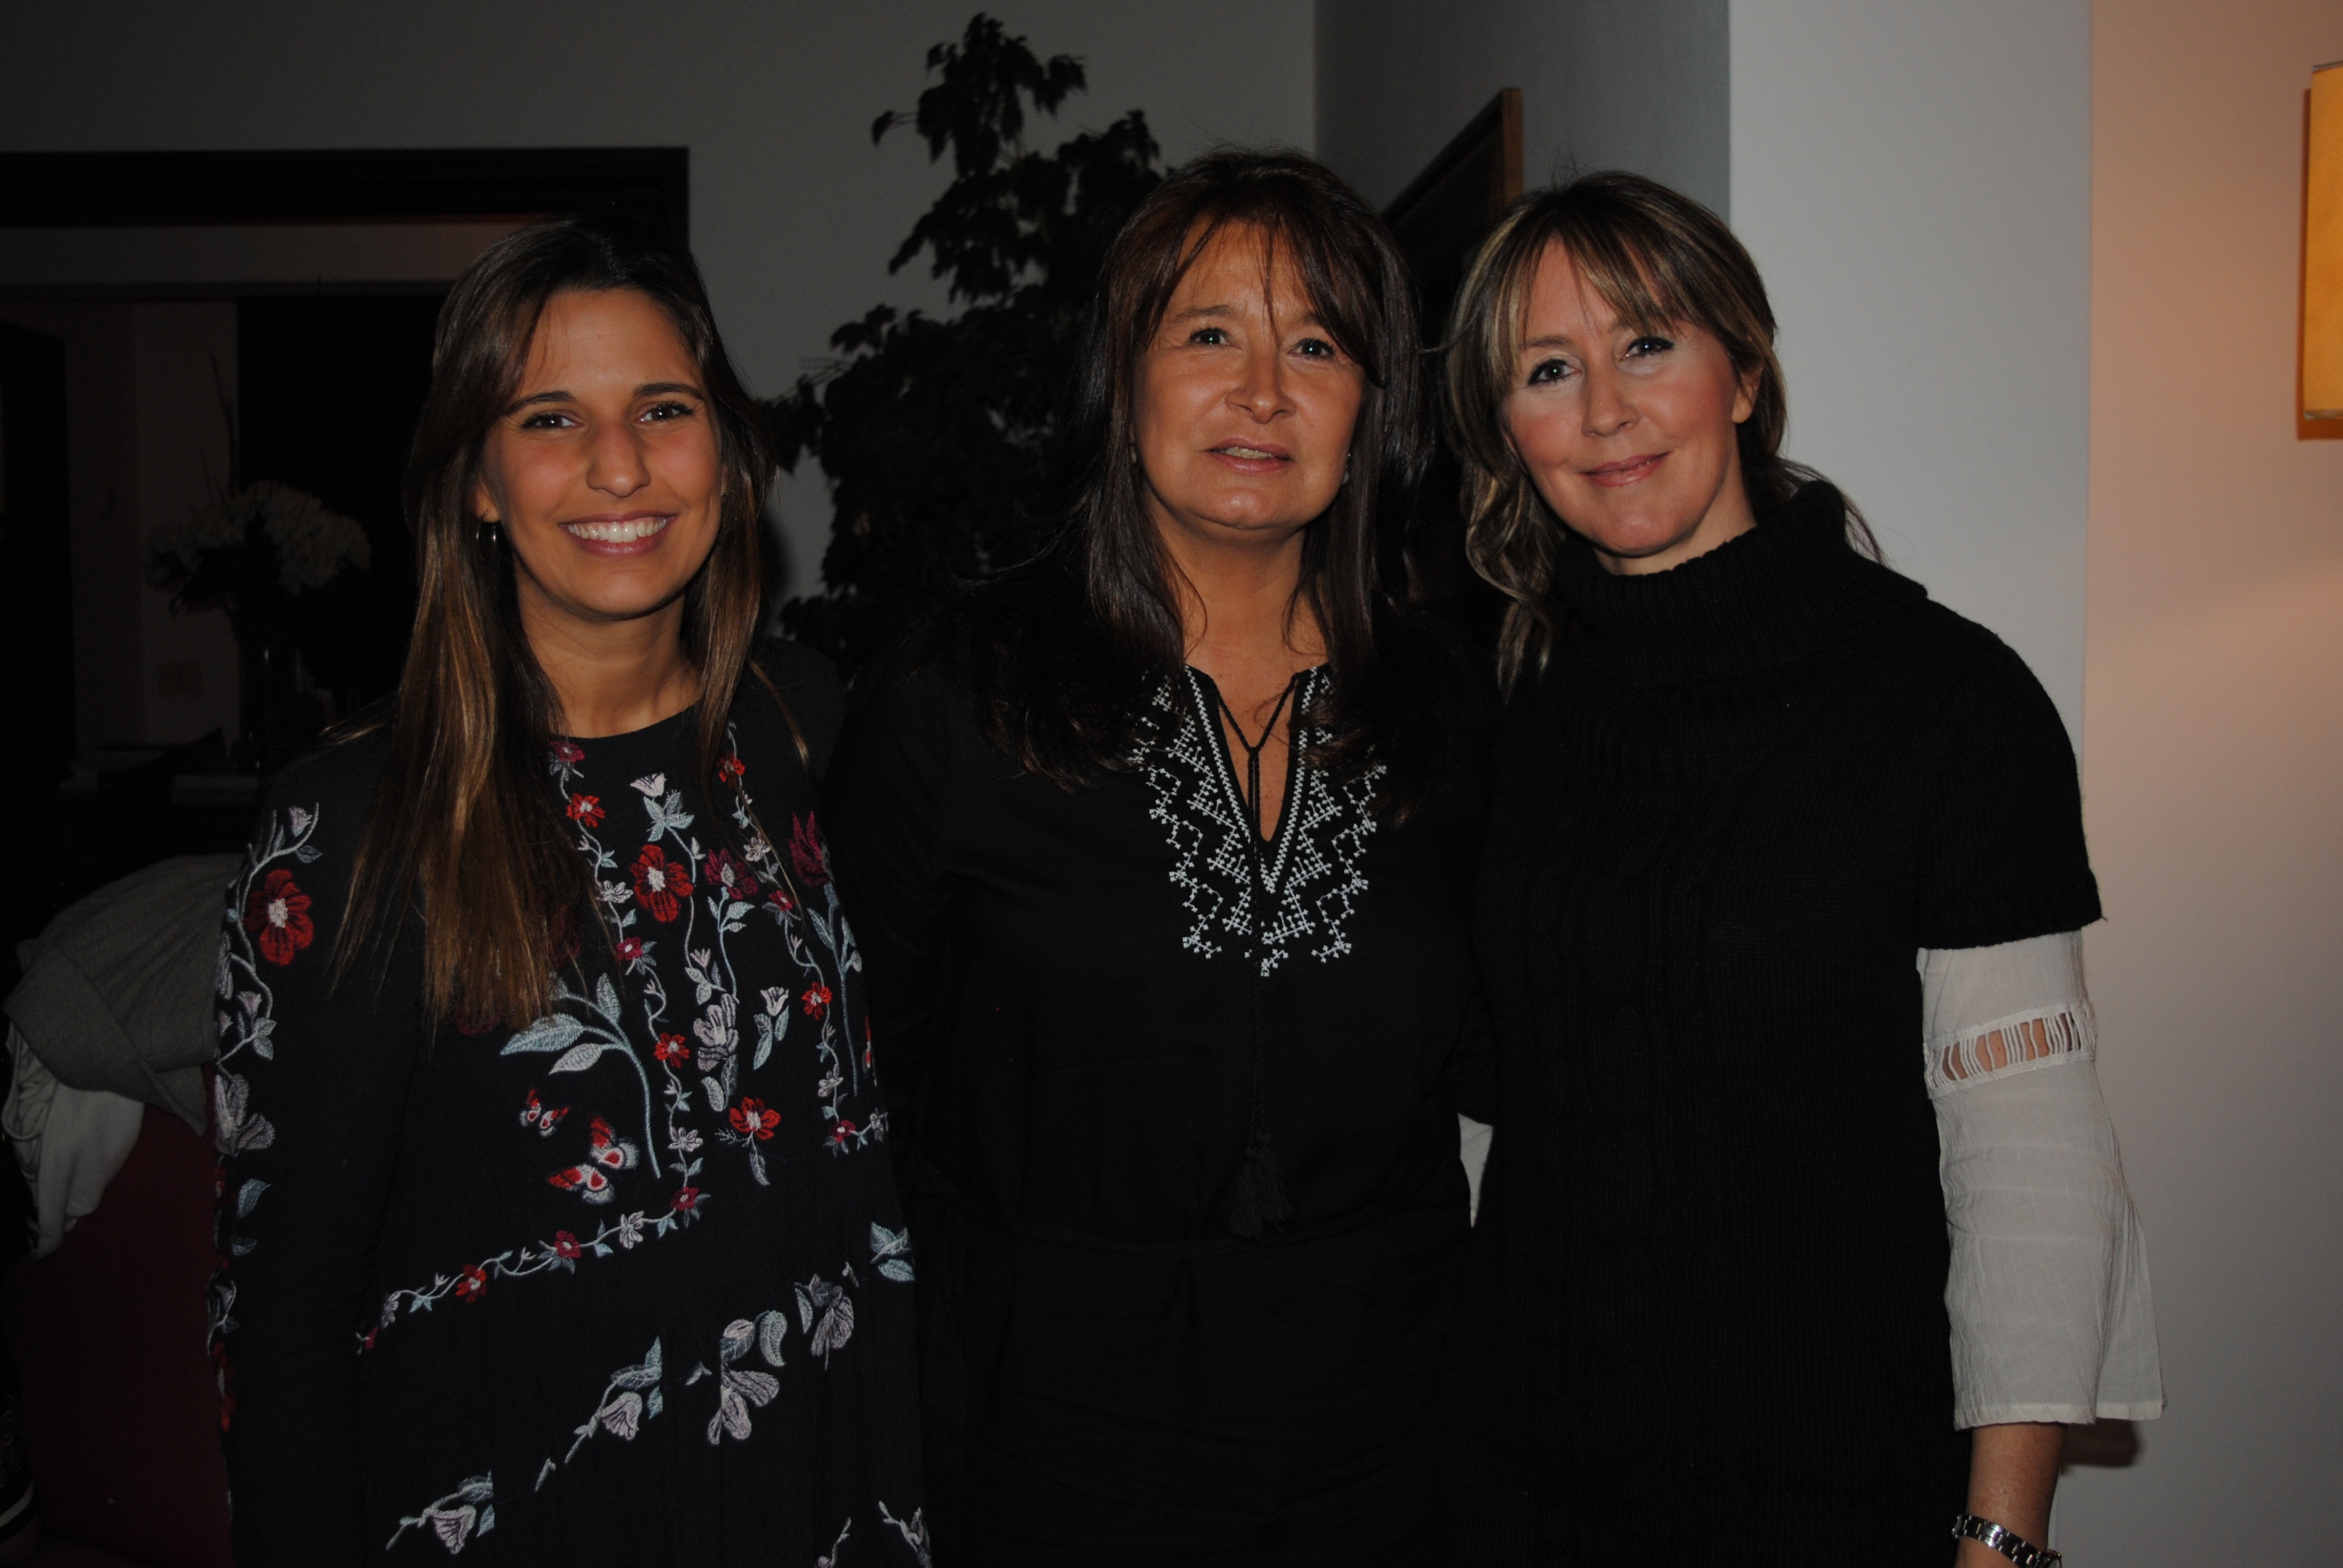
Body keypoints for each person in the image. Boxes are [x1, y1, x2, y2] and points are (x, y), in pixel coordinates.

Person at [1438, 172, 2161, 1565]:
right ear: (1507, 429)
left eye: (1648, 343)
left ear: (1746, 372)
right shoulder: (1511, 717)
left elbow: (2031, 1157)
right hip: (1515, 1490)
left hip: (1836, 1490)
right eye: (1548, 369)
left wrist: (2001, 1538)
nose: (1605, 410)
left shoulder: (1948, 703)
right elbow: (1500, 1114)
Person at [209, 217, 925, 1566]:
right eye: (550, 418)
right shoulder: (354, 821)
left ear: (727, 452)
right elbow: (284, 1312)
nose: (620, 464)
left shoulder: (802, 724)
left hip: (821, 1481)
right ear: (476, 482)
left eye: (664, 407)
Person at [825, 151, 1491, 1565]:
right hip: (1045, 1441)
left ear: (1372, 410)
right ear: (1121, 383)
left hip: (1391, 1436)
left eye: (1318, 347)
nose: (1263, 391)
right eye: (1208, 335)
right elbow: (856, 1102)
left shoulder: (1456, 711)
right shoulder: (955, 698)